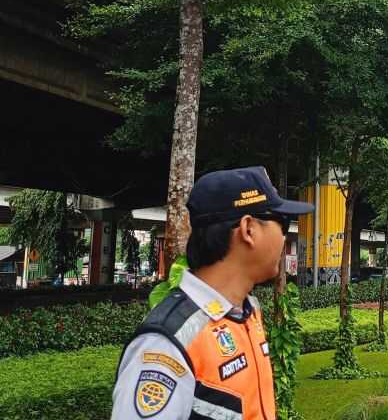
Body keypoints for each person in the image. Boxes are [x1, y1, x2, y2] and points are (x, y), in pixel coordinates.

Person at [111, 166, 314, 420]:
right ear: (248, 229)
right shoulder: (166, 344)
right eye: (282, 224)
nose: (285, 238)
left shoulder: (248, 312)